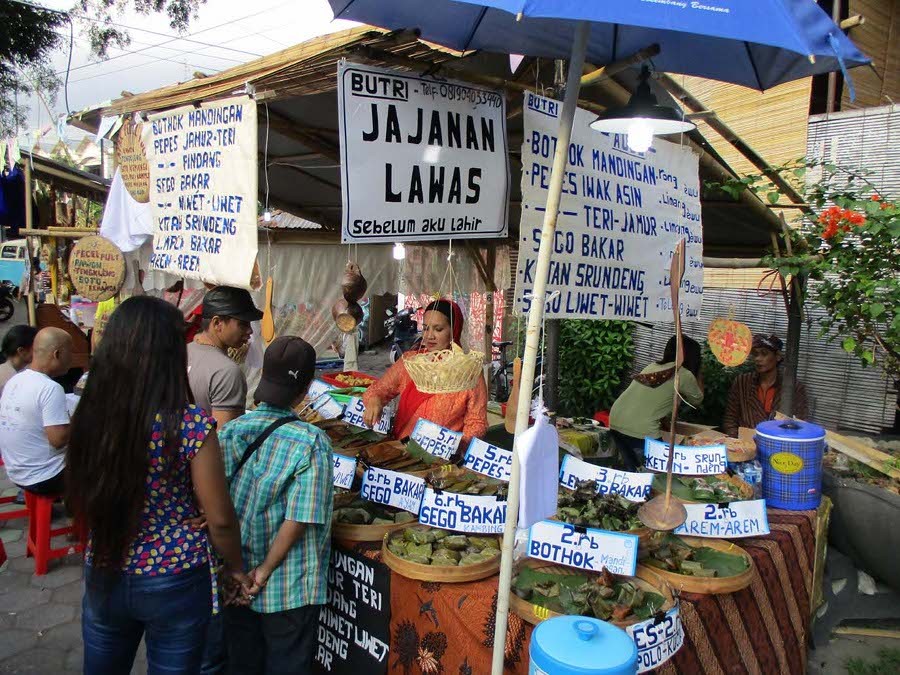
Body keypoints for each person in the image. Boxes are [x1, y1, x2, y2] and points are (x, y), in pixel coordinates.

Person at [66, 296, 256, 674]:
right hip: (176, 576)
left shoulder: (91, 413)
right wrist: (235, 568)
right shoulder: (189, 424)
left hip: (105, 564)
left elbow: (77, 491)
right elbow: (219, 518)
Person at [219, 336, 333, 674]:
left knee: (241, 662)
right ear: (306, 388)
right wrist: (264, 572)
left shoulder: (231, 430)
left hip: (234, 577)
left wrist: (236, 569)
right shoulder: (312, 442)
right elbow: (299, 518)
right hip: (288, 586)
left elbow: (215, 507)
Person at [363, 299, 488, 448]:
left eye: (438, 329)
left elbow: (476, 422)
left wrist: (457, 446)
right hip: (402, 450)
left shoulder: (468, 370)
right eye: (426, 328)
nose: (429, 336)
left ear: (454, 330)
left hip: (442, 459)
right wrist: (374, 400)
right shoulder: (411, 362)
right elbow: (378, 390)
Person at [608, 334, 704, 471]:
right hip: (641, 429)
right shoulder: (684, 375)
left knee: (632, 471)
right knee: (657, 474)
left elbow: (650, 400)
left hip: (616, 419)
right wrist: (699, 373)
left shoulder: (652, 366)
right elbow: (697, 399)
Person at [0, 328, 72, 495]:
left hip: (16, 471)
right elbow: (59, 440)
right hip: (45, 477)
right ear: (57, 354)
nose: (72, 358)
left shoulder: (16, 379)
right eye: (71, 352)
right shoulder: (50, 388)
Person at [189, 286, 262, 429]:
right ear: (217, 323)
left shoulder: (180, 353)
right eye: (243, 324)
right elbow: (224, 440)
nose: (250, 331)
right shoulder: (227, 372)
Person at [722, 334, 809, 436]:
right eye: (755, 354)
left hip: (778, 444)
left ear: (777, 356)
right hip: (745, 443)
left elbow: (800, 422)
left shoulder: (794, 388)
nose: (758, 359)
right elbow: (730, 418)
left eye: (764, 354)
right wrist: (737, 440)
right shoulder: (742, 382)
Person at [0, 324, 38, 395]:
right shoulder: (9, 378)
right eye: (35, 349)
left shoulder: (21, 372)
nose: (39, 352)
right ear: (21, 351)